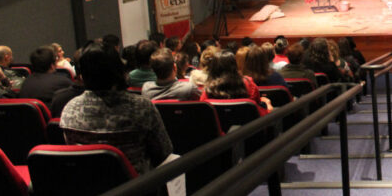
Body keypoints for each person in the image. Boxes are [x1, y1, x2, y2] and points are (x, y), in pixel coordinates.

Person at [60, 43, 173, 174]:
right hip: (138, 188)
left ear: (82, 76)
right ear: (118, 71)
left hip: (90, 188)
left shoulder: (70, 110)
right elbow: (164, 153)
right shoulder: (141, 107)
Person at [201, 50, 272, 115]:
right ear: (235, 66)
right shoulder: (248, 83)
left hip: (220, 128)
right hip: (248, 127)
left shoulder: (208, 89)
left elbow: (203, 111)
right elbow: (257, 107)